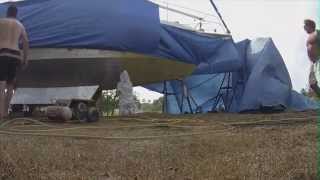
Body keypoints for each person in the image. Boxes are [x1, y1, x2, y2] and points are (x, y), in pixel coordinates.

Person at [0, 5, 29, 119]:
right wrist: (25, 59)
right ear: (16, 14)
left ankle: (0, 113)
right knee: (10, 84)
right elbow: (26, 42)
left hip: (3, 53)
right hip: (15, 55)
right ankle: (6, 112)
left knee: (1, 84)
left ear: (7, 13)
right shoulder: (20, 25)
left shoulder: (1, 22)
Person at [304, 19, 320, 95]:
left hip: (318, 60)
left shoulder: (317, 33)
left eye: (305, 25)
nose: (304, 27)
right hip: (313, 64)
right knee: (312, 84)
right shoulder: (309, 37)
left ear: (310, 25)